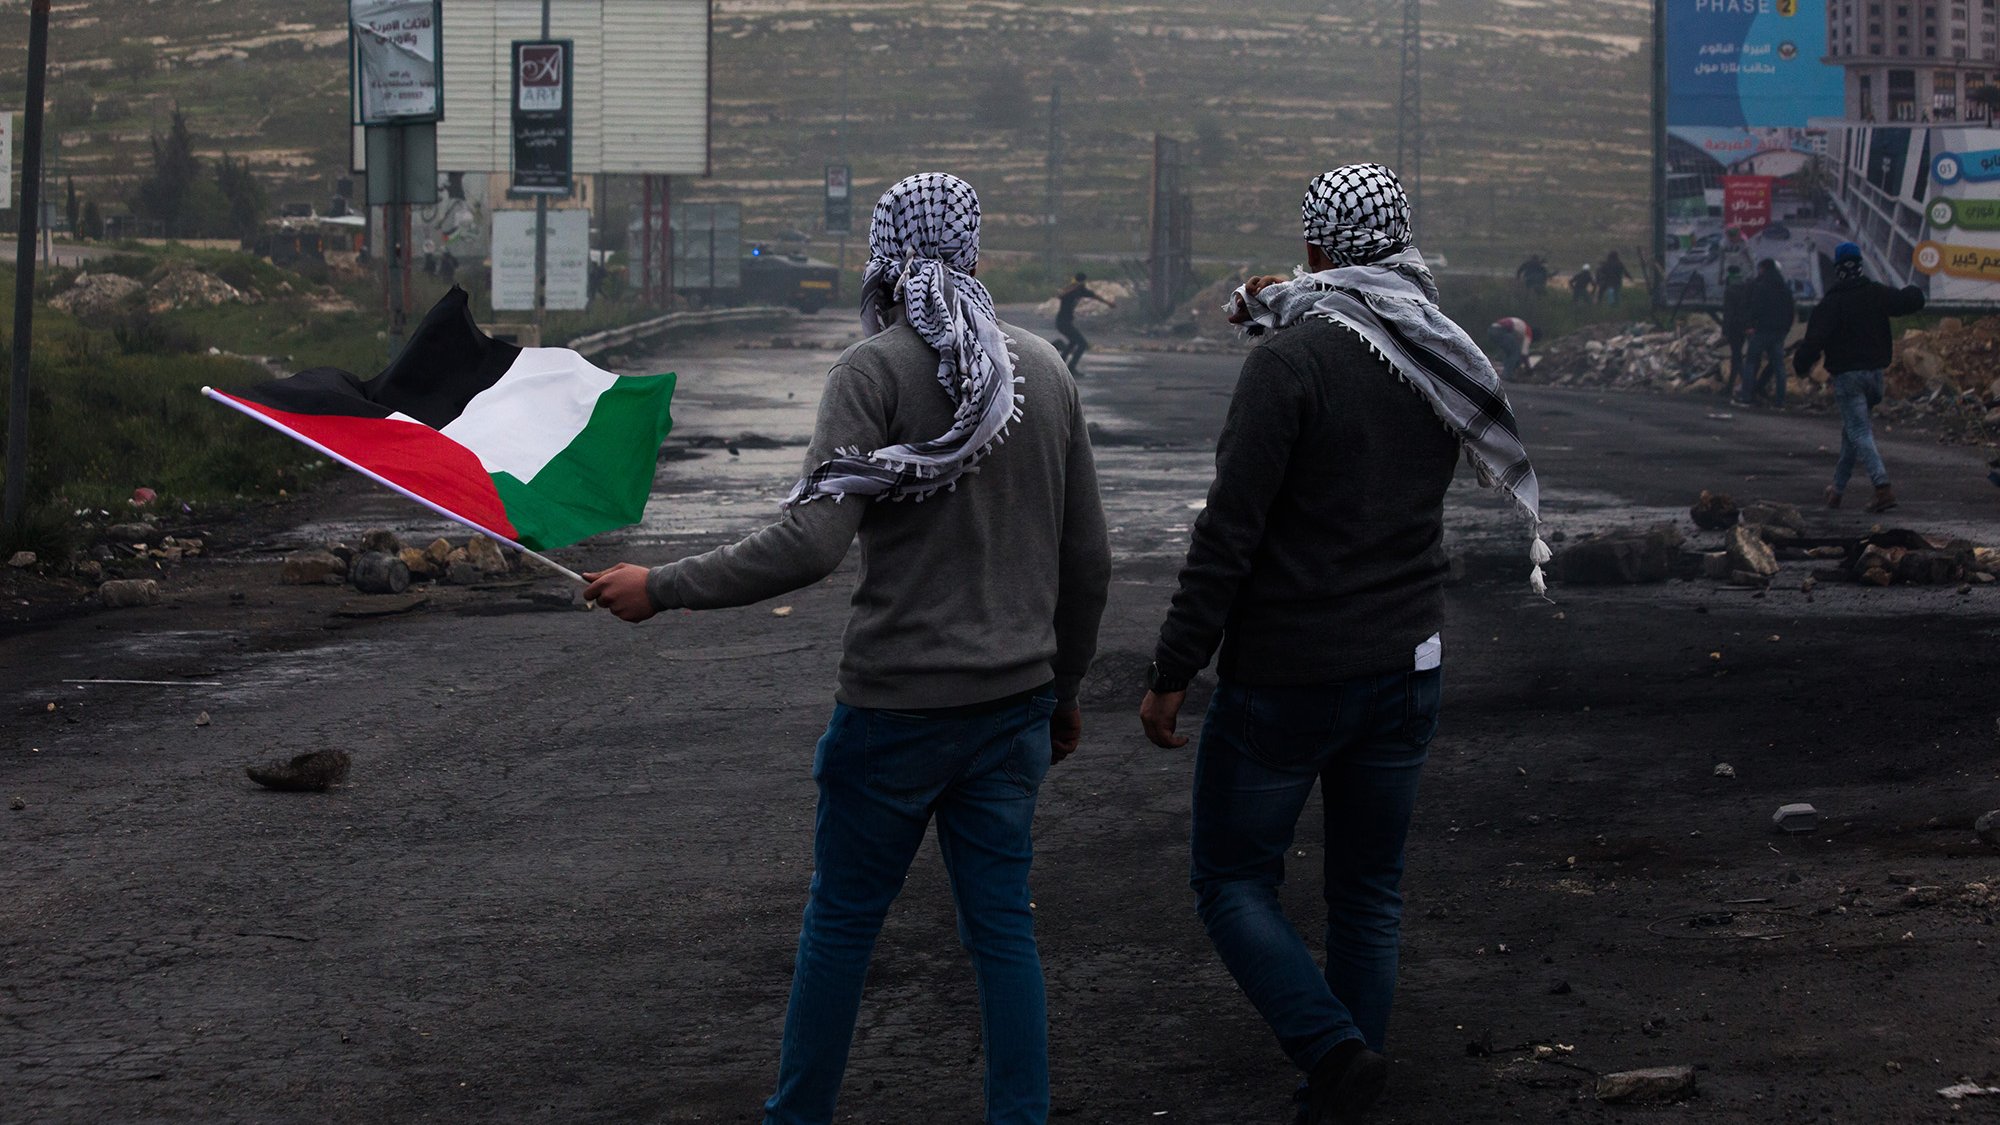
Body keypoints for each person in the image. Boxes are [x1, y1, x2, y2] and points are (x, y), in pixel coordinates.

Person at [583, 172, 1111, 1125]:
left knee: (842, 926)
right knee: (1001, 932)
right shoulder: (1046, 372)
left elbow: (811, 543)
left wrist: (660, 587)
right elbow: (1090, 559)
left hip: (896, 713)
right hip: (1014, 710)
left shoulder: (872, 372)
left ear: (881, 257)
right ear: (976, 254)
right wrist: (1063, 687)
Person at [1142, 163, 1546, 1125]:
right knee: (1368, 891)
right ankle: (1345, 1088)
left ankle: (1331, 1054)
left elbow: (1228, 534)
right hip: (1407, 664)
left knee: (1232, 878)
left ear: (1318, 248)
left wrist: (1173, 669)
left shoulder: (1291, 363)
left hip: (1290, 673)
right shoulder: (1434, 355)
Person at [1792, 241, 1924, 513]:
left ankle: (1882, 487)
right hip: (1876, 378)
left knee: (1859, 432)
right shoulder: (1875, 293)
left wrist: (1801, 366)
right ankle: (1837, 491)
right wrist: (1915, 291)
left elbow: (1813, 341)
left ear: (1837, 269)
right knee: (1851, 433)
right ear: (1860, 266)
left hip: (1848, 379)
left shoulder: (1831, 303)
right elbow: (1906, 301)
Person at [1744, 258, 1795, 407]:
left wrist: (1751, 324)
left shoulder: (1762, 287)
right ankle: (1780, 400)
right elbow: (1790, 312)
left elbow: (1756, 308)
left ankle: (1746, 396)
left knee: (1751, 362)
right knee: (1779, 366)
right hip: (1779, 332)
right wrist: (1785, 329)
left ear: (1763, 269)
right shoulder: (1785, 289)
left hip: (1762, 331)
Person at [1051, 272, 1115, 376]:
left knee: (1073, 342)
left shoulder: (1081, 290)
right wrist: (1073, 287)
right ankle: (1070, 368)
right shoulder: (1070, 290)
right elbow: (1060, 295)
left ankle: (1060, 366)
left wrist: (1108, 303)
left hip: (1066, 322)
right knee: (1082, 344)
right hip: (1062, 323)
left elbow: (1095, 296)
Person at [1718, 265, 1753, 400]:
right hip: (1745, 325)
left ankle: (1745, 385)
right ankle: (1735, 384)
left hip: (1734, 326)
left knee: (1736, 356)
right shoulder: (1746, 285)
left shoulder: (1730, 289)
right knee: (1738, 355)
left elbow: (1728, 312)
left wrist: (1725, 330)